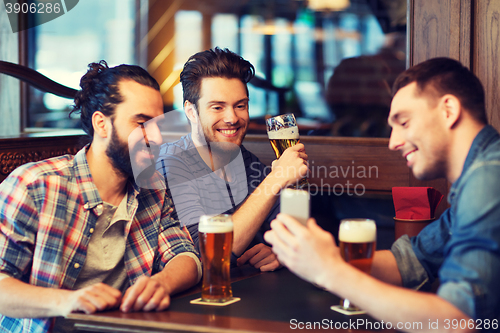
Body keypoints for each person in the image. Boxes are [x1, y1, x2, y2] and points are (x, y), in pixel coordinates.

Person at [265, 57, 500, 331]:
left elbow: (456, 321)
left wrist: (330, 270)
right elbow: (412, 260)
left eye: (404, 122)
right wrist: (314, 254)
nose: (393, 142)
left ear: (448, 110)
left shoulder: (488, 178)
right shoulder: (479, 175)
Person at [0, 61, 201, 333]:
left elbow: (186, 256)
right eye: (141, 123)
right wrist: (67, 301)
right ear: (101, 124)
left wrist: (162, 282)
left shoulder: (152, 186)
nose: (155, 137)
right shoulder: (34, 185)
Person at [156, 48, 308, 272]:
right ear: (191, 111)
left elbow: (293, 234)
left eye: (240, 105)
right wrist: (276, 179)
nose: (232, 118)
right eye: (217, 107)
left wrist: (277, 251)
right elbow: (209, 254)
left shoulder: (246, 161)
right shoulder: (172, 164)